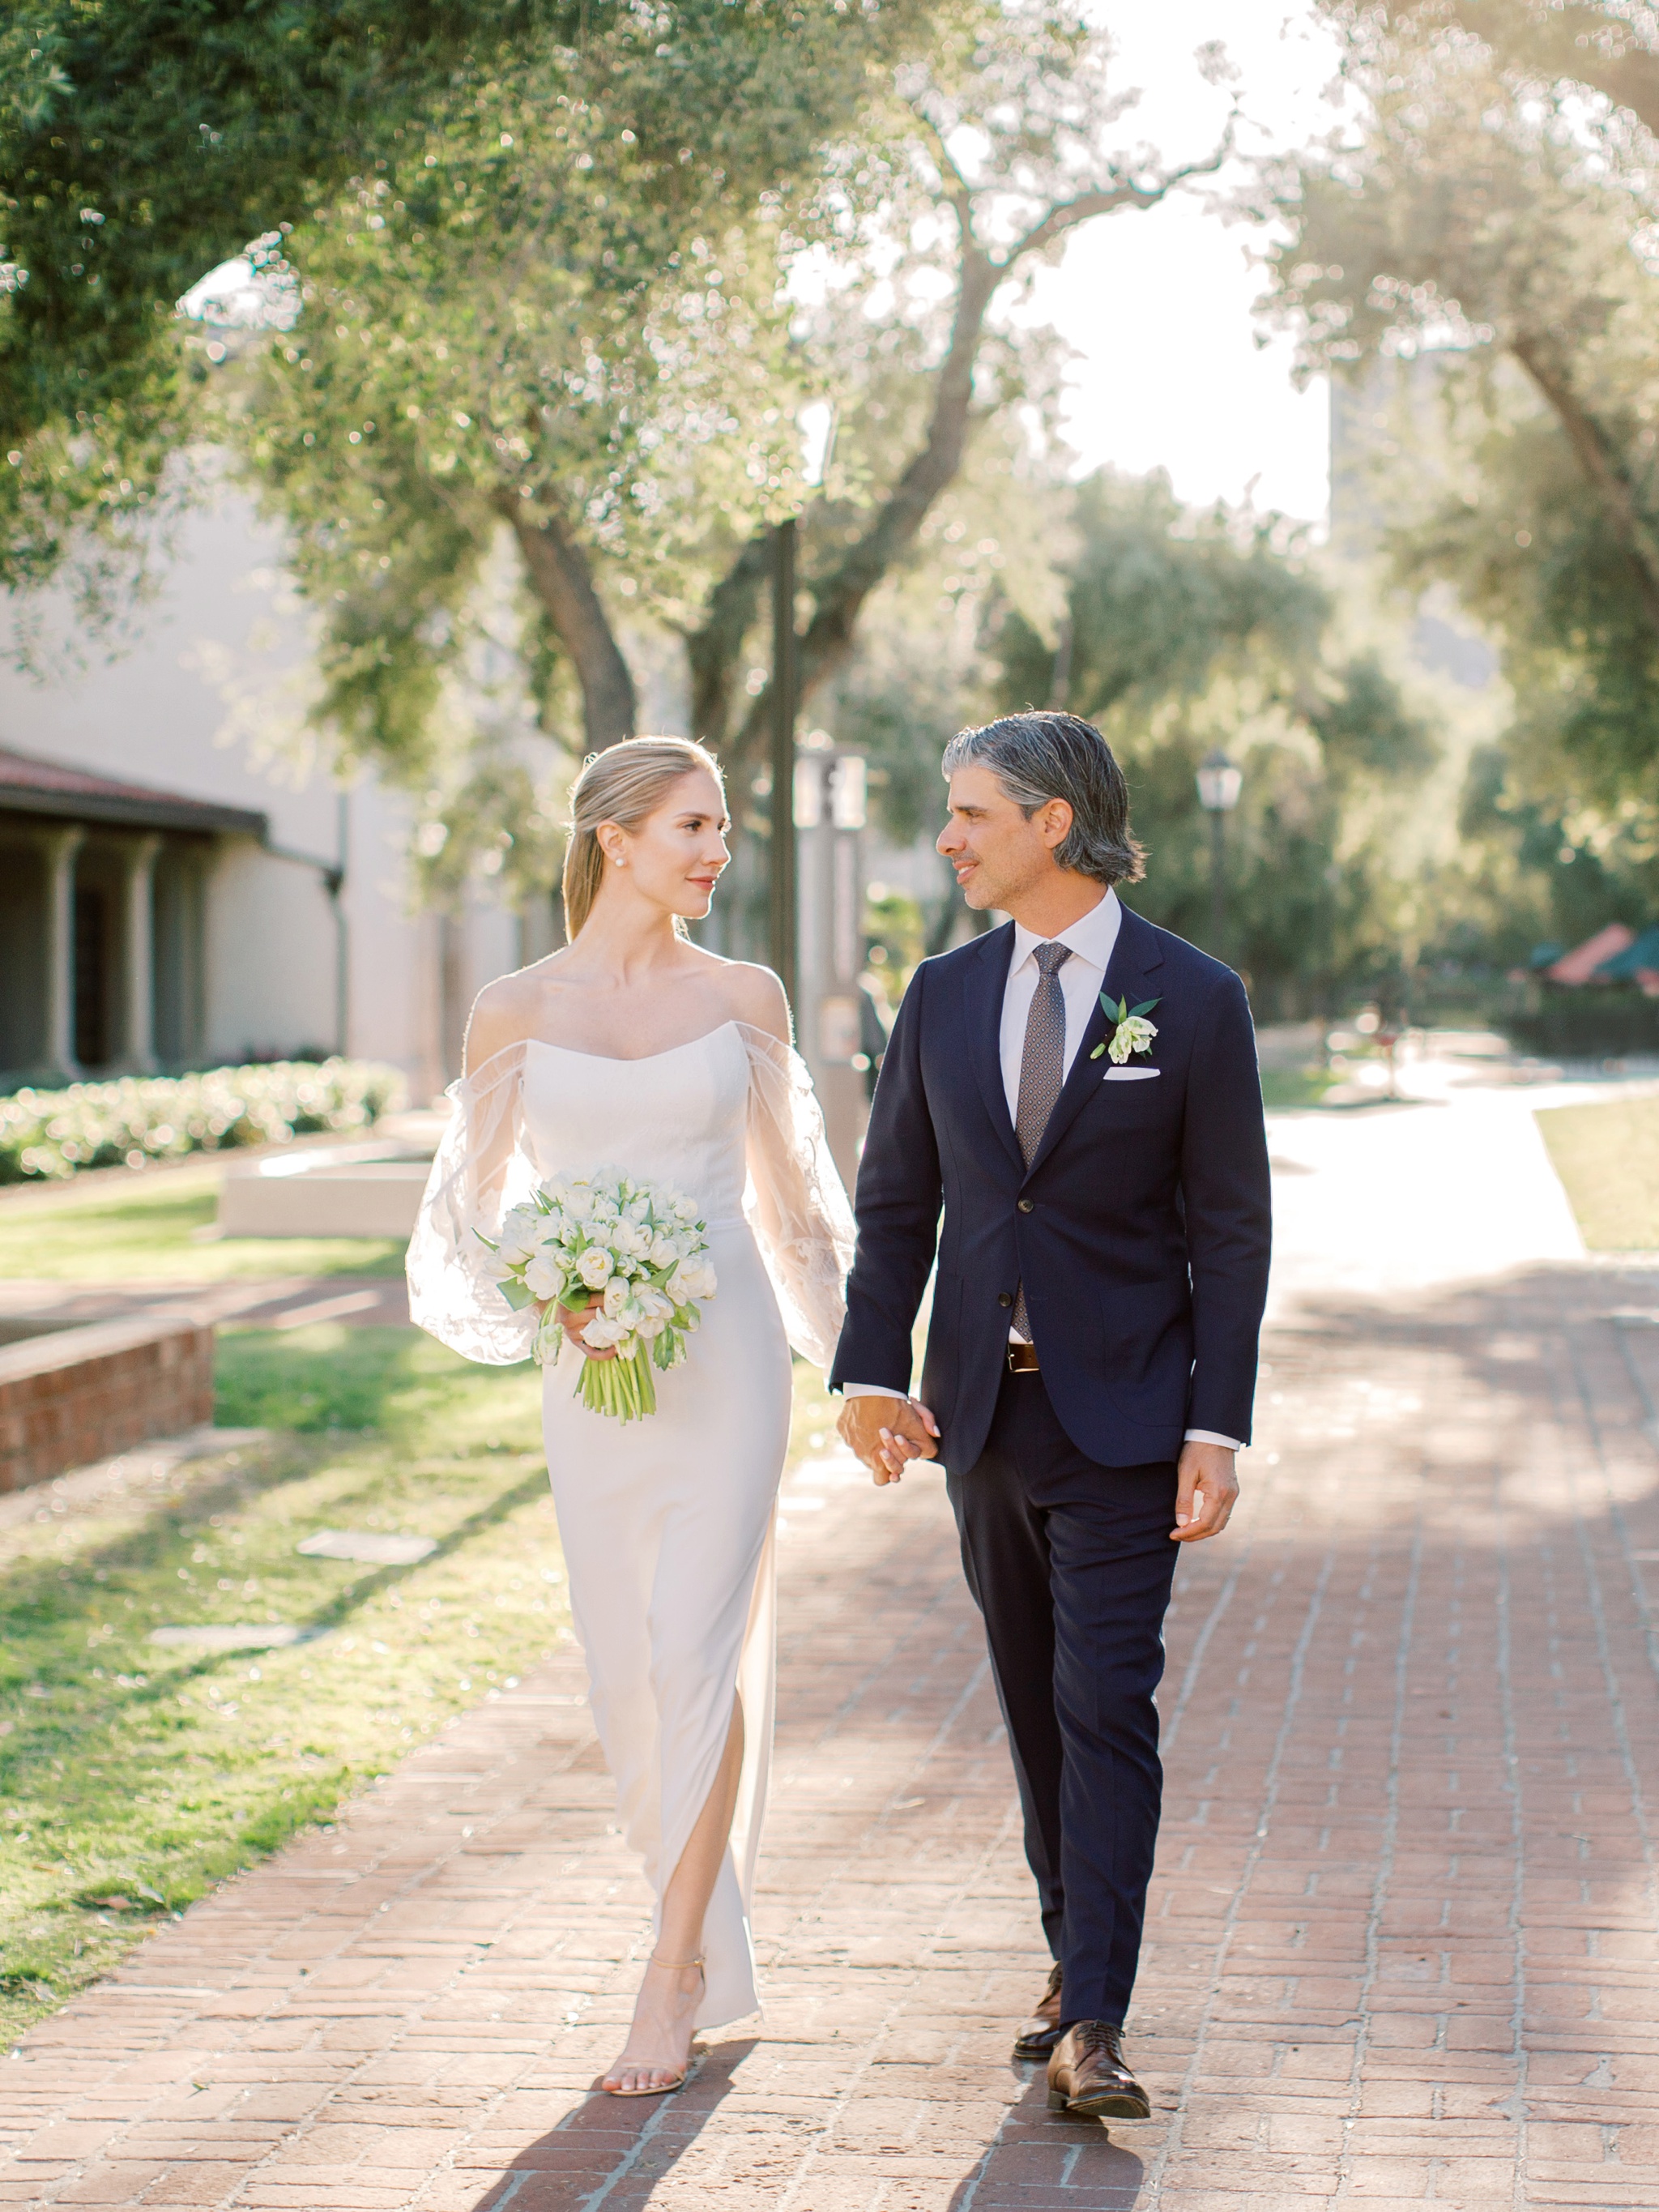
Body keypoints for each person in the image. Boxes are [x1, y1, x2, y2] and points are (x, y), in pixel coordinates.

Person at [830, 711, 1270, 2120]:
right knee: (1031, 1704)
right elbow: (898, 1203)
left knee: (1105, 1704)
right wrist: (867, 1368)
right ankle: (1069, 1944)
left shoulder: (1192, 998)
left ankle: (1098, 2011)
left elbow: (1232, 1233)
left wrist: (1220, 1424)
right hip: (982, 1419)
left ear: (1054, 823)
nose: (947, 837)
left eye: (969, 813)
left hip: (1130, 1418)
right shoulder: (943, 992)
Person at [407, 737, 853, 2097]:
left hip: (726, 1364)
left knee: (695, 1651)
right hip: (593, 1382)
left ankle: (671, 1976)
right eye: (692, 828)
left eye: (723, 830)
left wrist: (864, 1372)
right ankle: (704, 1937)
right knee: (627, 1676)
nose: (717, 852)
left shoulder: (745, 995)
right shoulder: (513, 1009)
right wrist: (564, 1299)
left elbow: (793, 1211)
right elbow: (467, 1217)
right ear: (615, 836)